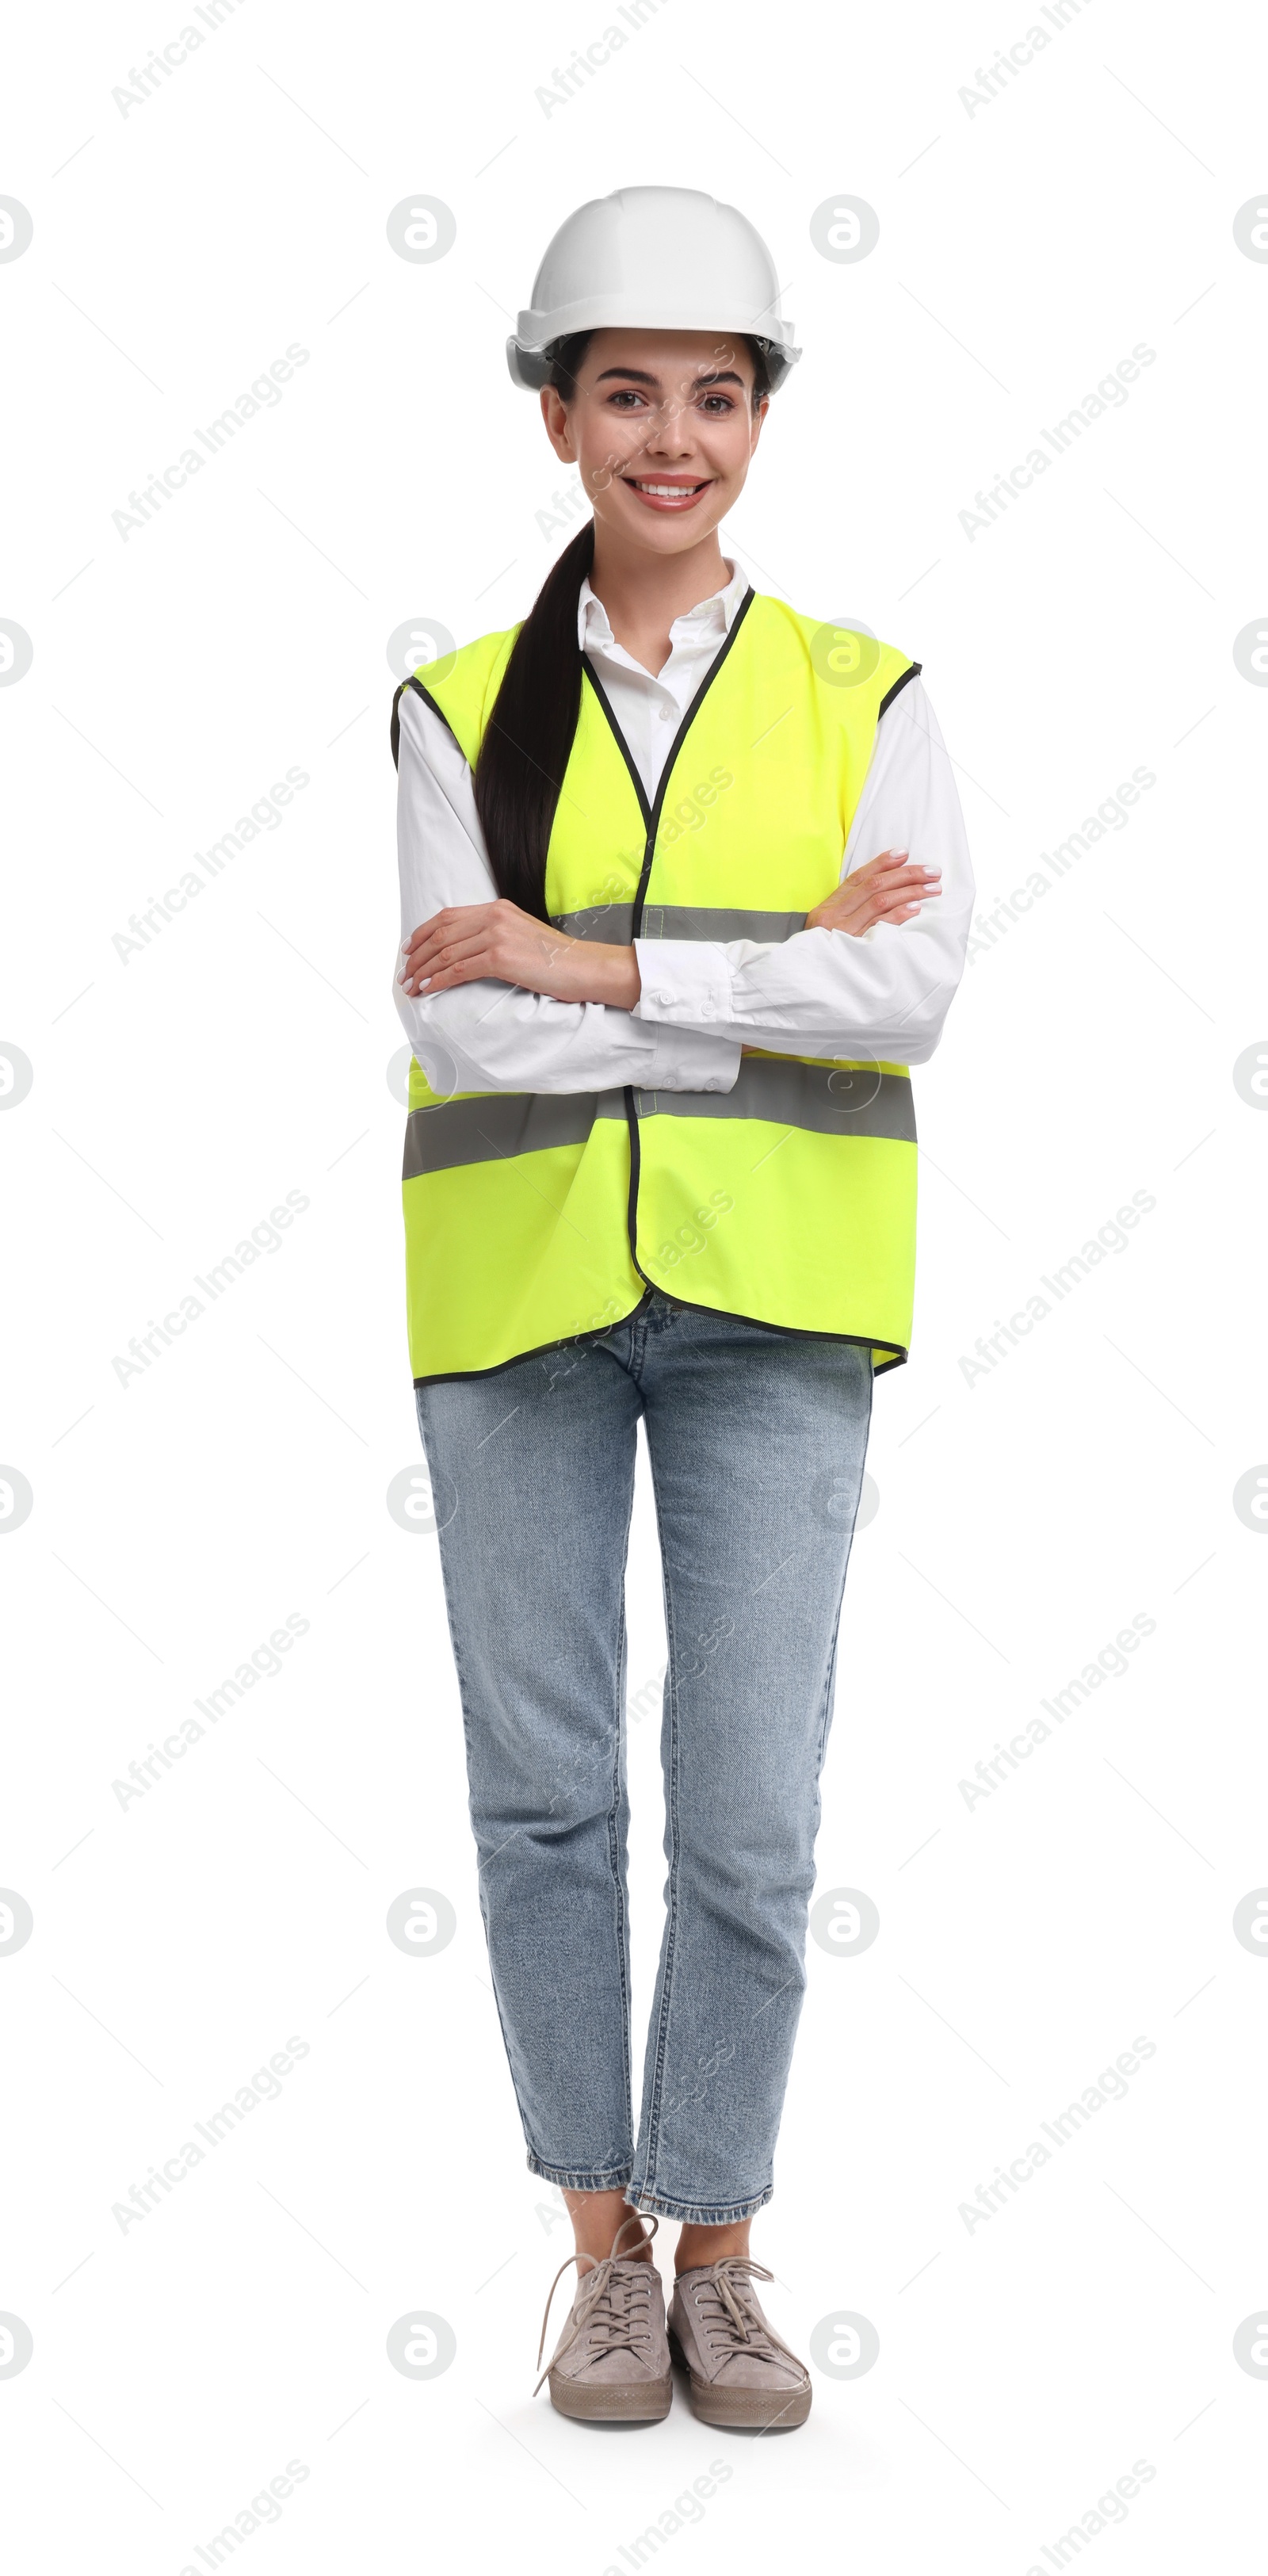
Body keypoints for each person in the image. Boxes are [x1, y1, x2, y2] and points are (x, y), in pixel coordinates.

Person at [391, 186, 974, 2431]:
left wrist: (605, 963)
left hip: (779, 1307)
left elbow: (908, 991)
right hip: (520, 1301)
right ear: (557, 417)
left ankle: (725, 2240)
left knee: (749, 1812)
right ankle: (603, 2256)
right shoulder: (453, 712)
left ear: (760, 419)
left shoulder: (868, 692)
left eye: (715, 393)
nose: (673, 435)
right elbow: (465, 1040)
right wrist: (767, 979)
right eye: (625, 390)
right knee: (546, 1800)